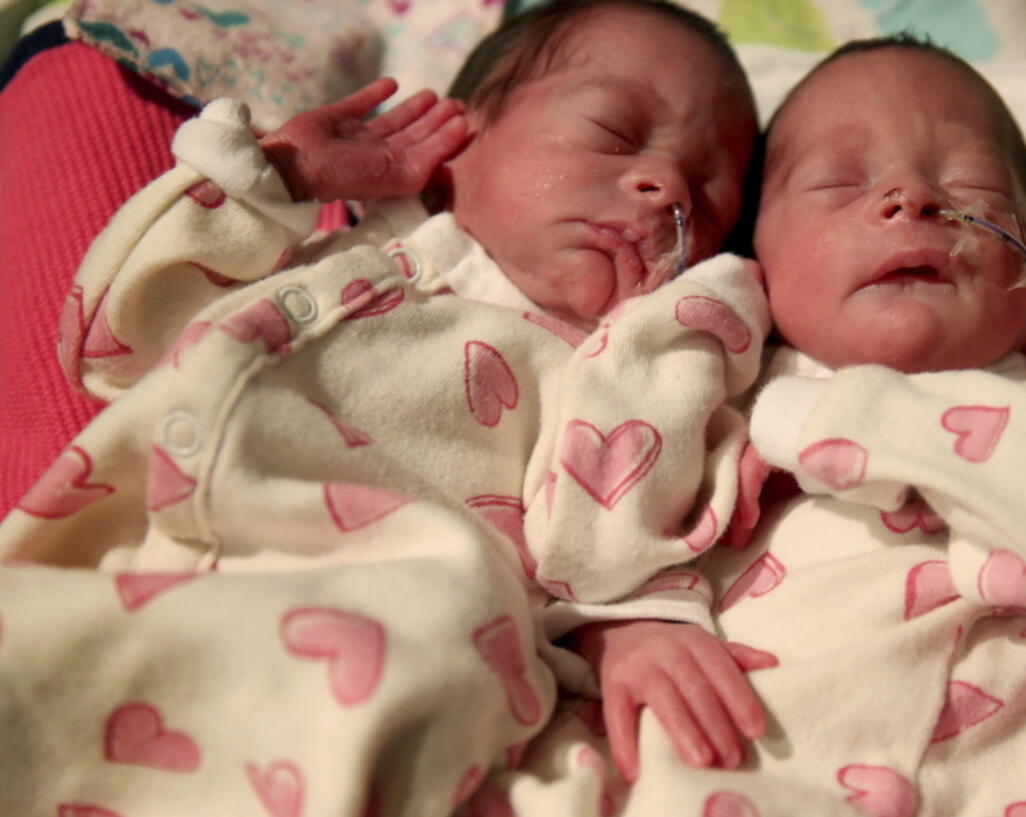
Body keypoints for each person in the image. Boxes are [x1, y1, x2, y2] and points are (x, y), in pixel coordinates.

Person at [0, 2, 777, 814]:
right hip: (128, 577)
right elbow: (109, 341)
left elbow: (631, 505)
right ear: (459, 136)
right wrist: (282, 180)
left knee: (450, 633)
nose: (667, 188)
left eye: (709, 200)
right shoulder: (328, 245)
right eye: (615, 133)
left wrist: (629, 617)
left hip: (384, 645)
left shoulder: (617, 363)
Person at [488, 35, 1026, 817]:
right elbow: (594, 459)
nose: (911, 199)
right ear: (754, 253)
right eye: (838, 183)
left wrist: (812, 423)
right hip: (652, 769)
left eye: (971, 185)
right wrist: (616, 619)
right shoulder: (707, 372)